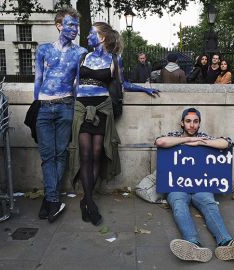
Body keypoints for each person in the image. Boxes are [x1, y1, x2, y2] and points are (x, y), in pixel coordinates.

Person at [71, 22, 160, 226]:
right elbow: (75, 83)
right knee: (85, 155)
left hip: (102, 107)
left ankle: (86, 200)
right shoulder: (83, 57)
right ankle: (91, 203)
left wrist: (144, 89)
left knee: (96, 154)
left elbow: (123, 84)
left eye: (91, 33)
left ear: (101, 38)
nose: (87, 37)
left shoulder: (114, 59)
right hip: (82, 108)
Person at [155, 108, 234, 262]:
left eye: (195, 122)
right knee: (179, 205)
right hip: (177, 186)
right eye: (188, 121)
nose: (192, 125)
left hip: (201, 186)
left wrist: (202, 142)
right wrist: (188, 140)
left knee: (210, 205)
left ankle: (226, 242)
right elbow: (160, 142)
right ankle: (192, 244)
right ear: (182, 123)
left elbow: (227, 142)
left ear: (199, 124)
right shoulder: (174, 136)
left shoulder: (204, 137)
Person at [34, 8, 87, 223]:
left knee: (61, 153)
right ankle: (52, 198)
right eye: (70, 25)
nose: (74, 29)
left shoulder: (80, 52)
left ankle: (50, 200)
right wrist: (35, 105)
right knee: (48, 155)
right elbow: (37, 79)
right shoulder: (44, 49)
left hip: (66, 105)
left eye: (76, 26)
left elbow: (78, 85)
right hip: (44, 107)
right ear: (59, 25)